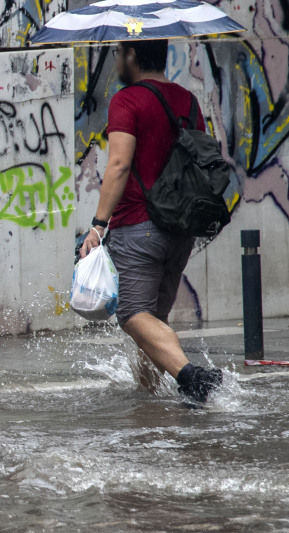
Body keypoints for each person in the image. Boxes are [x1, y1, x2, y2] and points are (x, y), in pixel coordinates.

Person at [78, 39, 223, 403]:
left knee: (132, 314)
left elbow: (119, 164)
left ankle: (190, 377)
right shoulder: (187, 101)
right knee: (154, 319)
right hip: (180, 228)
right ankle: (152, 400)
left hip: (139, 225)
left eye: (117, 54)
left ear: (131, 55)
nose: (115, 63)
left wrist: (98, 225)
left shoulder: (126, 100)